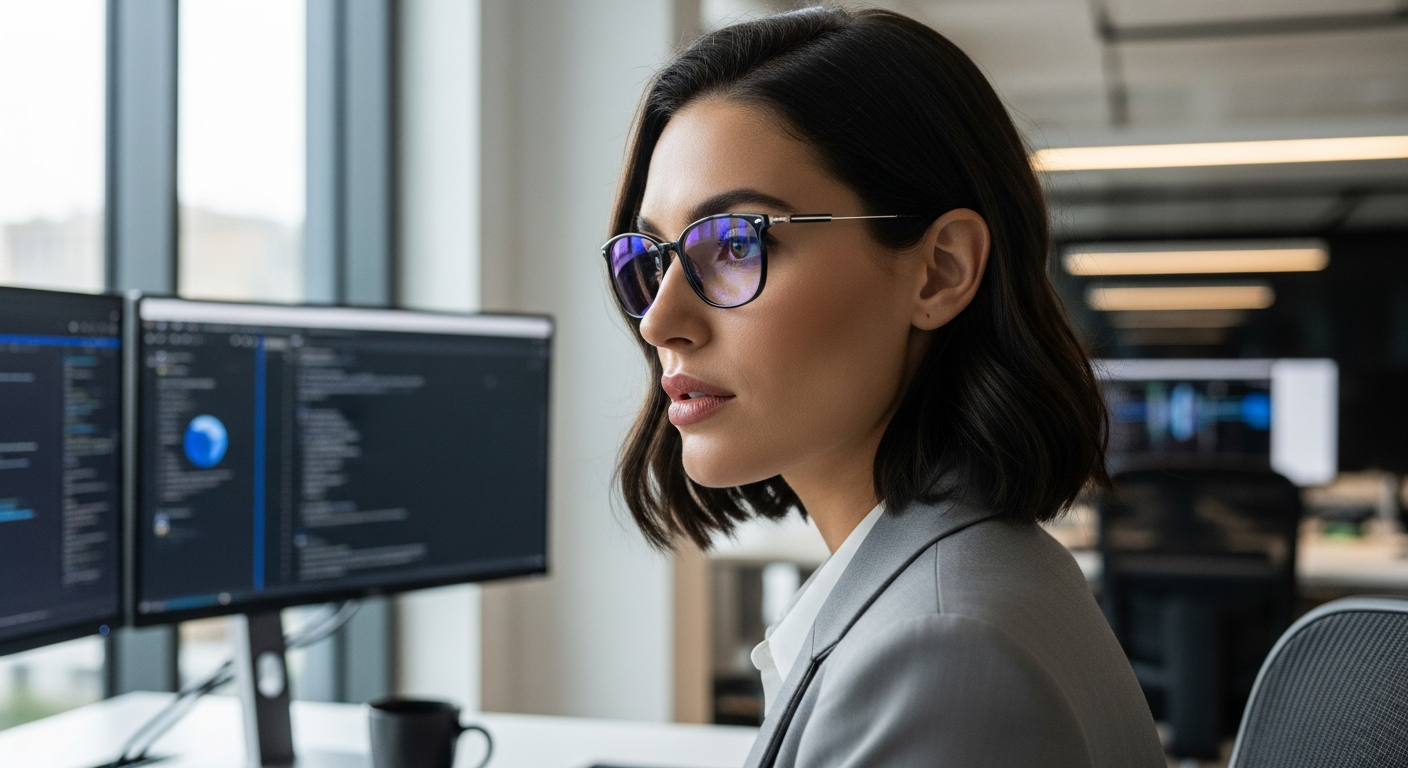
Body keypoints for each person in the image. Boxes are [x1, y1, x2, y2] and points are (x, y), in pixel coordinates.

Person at [600, 8, 1164, 767]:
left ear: (940, 271)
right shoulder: (969, 577)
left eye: (736, 242)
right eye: (655, 256)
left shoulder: (938, 655)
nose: (659, 320)